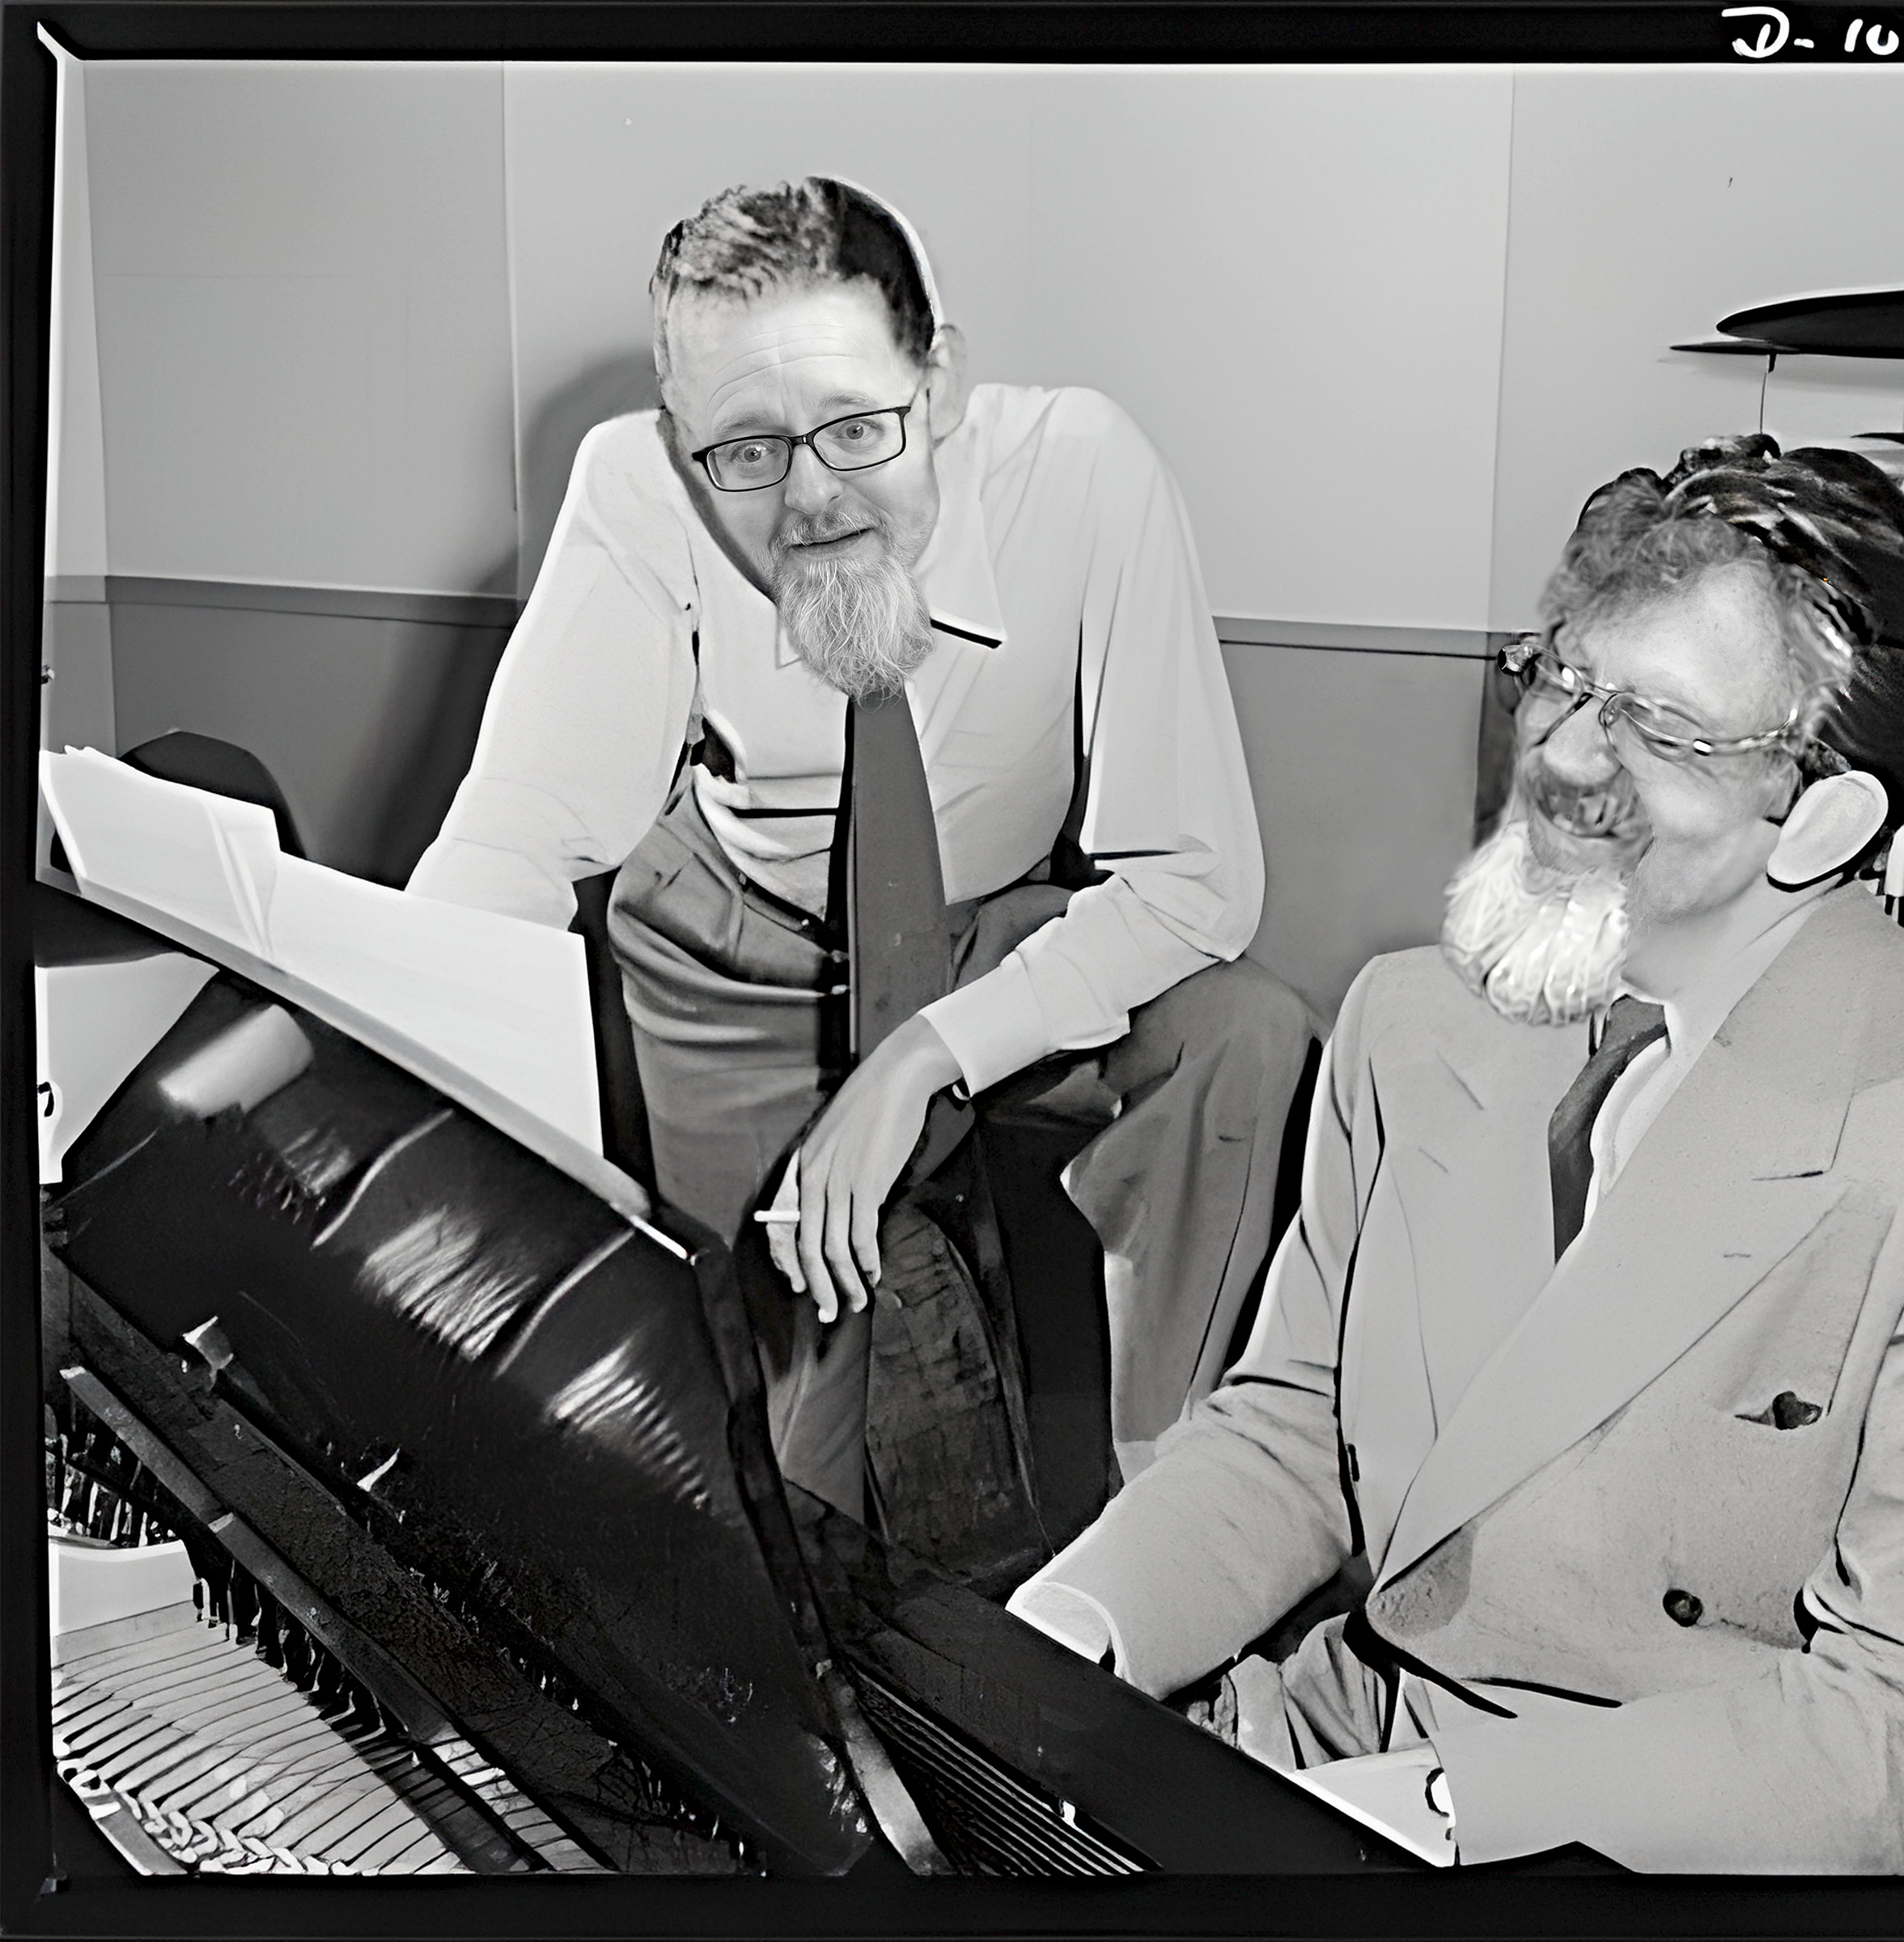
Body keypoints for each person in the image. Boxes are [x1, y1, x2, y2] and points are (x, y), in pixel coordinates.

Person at [1007, 437, 1904, 1872]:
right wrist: (1066, 1634)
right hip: (1334, 1741)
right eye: (1564, 678)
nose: (1562, 758)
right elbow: (1298, 1430)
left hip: (1659, 1856)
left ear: (1822, 821)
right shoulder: (1412, 1018)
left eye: (1662, 732)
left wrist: (1447, 1812)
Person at [409, 177, 1309, 1512]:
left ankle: (1177, 1487)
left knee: (1241, 1030)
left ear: (940, 384)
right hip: (737, 967)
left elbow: (1199, 877)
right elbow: (512, 841)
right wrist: (404, 1105)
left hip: (984, 933)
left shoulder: (1086, 472)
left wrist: (919, 1059)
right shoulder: (638, 487)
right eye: (746, 451)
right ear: (682, 438)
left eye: (856, 427)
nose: (812, 499)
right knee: (785, 1470)